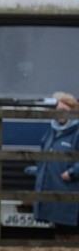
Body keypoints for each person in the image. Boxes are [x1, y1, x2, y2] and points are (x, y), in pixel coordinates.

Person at [33, 93, 79, 239]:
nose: (60, 113)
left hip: (71, 188)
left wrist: (73, 172)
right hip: (55, 190)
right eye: (58, 109)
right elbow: (43, 153)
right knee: (59, 231)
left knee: (72, 230)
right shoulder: (52, 132)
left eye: (64, 110)